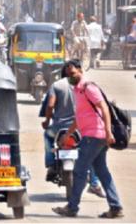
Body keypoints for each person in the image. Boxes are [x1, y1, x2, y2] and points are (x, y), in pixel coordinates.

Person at [52, 59, 123, 218]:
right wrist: (68, 135)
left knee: (79, 171)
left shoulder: (88, 87)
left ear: (80, 70)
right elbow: (79, 118)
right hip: (93, 136)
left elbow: (104, 107)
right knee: (102, 172)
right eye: (67, 75)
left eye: (72, 73)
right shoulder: (77, 91)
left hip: (94, 136)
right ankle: (116, 206)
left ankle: (72, 207)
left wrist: (108, 132)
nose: (70, 77)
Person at [42, 65, 105, 197]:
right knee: (90, 153)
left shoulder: (57, 85)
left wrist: (47, 121)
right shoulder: (84, 86)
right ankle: (94, 183)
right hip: (81, 128)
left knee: (47, 135)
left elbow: (50, 105)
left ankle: (51, 163)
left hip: (59, 127)